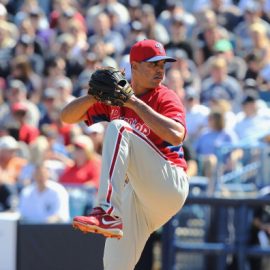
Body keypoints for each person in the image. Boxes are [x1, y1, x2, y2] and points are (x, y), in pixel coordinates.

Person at [60, 39, 189, 270]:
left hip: (168, 182)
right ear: (134, 66)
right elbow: (67, 117)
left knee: (119, 127)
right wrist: (93, 96)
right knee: (114, 265)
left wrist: (133, 103)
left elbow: (177, 135)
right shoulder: (115, 99)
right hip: (137, 197)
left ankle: (106, 211)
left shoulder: (164, 97)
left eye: (163, 64)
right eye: (153, 64)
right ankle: (111, 214)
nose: (160, 69)